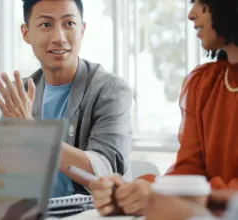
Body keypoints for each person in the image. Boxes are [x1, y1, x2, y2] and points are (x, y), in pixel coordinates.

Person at [0, 0, 132, 198]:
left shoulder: (109, 89)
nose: (59, 37)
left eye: (69, 24)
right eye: (46, 25)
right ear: (26, 33)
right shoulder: (23, 92)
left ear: (82, 30)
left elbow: (106, 172)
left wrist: (32, 131)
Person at [89, 0, 238, 216]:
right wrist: (130, 193)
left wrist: (156, 195)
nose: (191, 14)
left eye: (201, 3)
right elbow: (189, 171)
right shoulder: (204, 83)